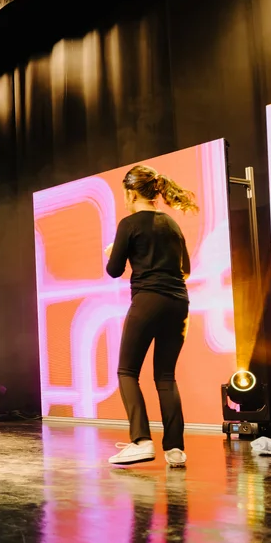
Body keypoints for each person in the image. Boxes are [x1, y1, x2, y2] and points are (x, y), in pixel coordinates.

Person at [104, 165, 197, 467]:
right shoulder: (171, 224)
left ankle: (141, 441)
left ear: (131, 194)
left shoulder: (129, 224)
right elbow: (186, 269)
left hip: (148, 301)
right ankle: (175, 449)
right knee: (165, 376)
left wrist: (114, 251)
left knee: (127, 371)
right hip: (179, 303)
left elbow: (114, 270)